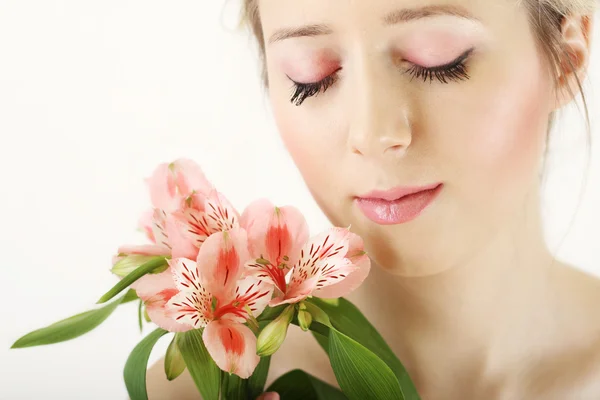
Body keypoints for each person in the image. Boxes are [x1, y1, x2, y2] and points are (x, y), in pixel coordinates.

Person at [148, 0, 600, 398]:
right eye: (312, 77)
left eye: (438, 60)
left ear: (566, 56)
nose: (372, 133)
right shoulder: (206, 391)